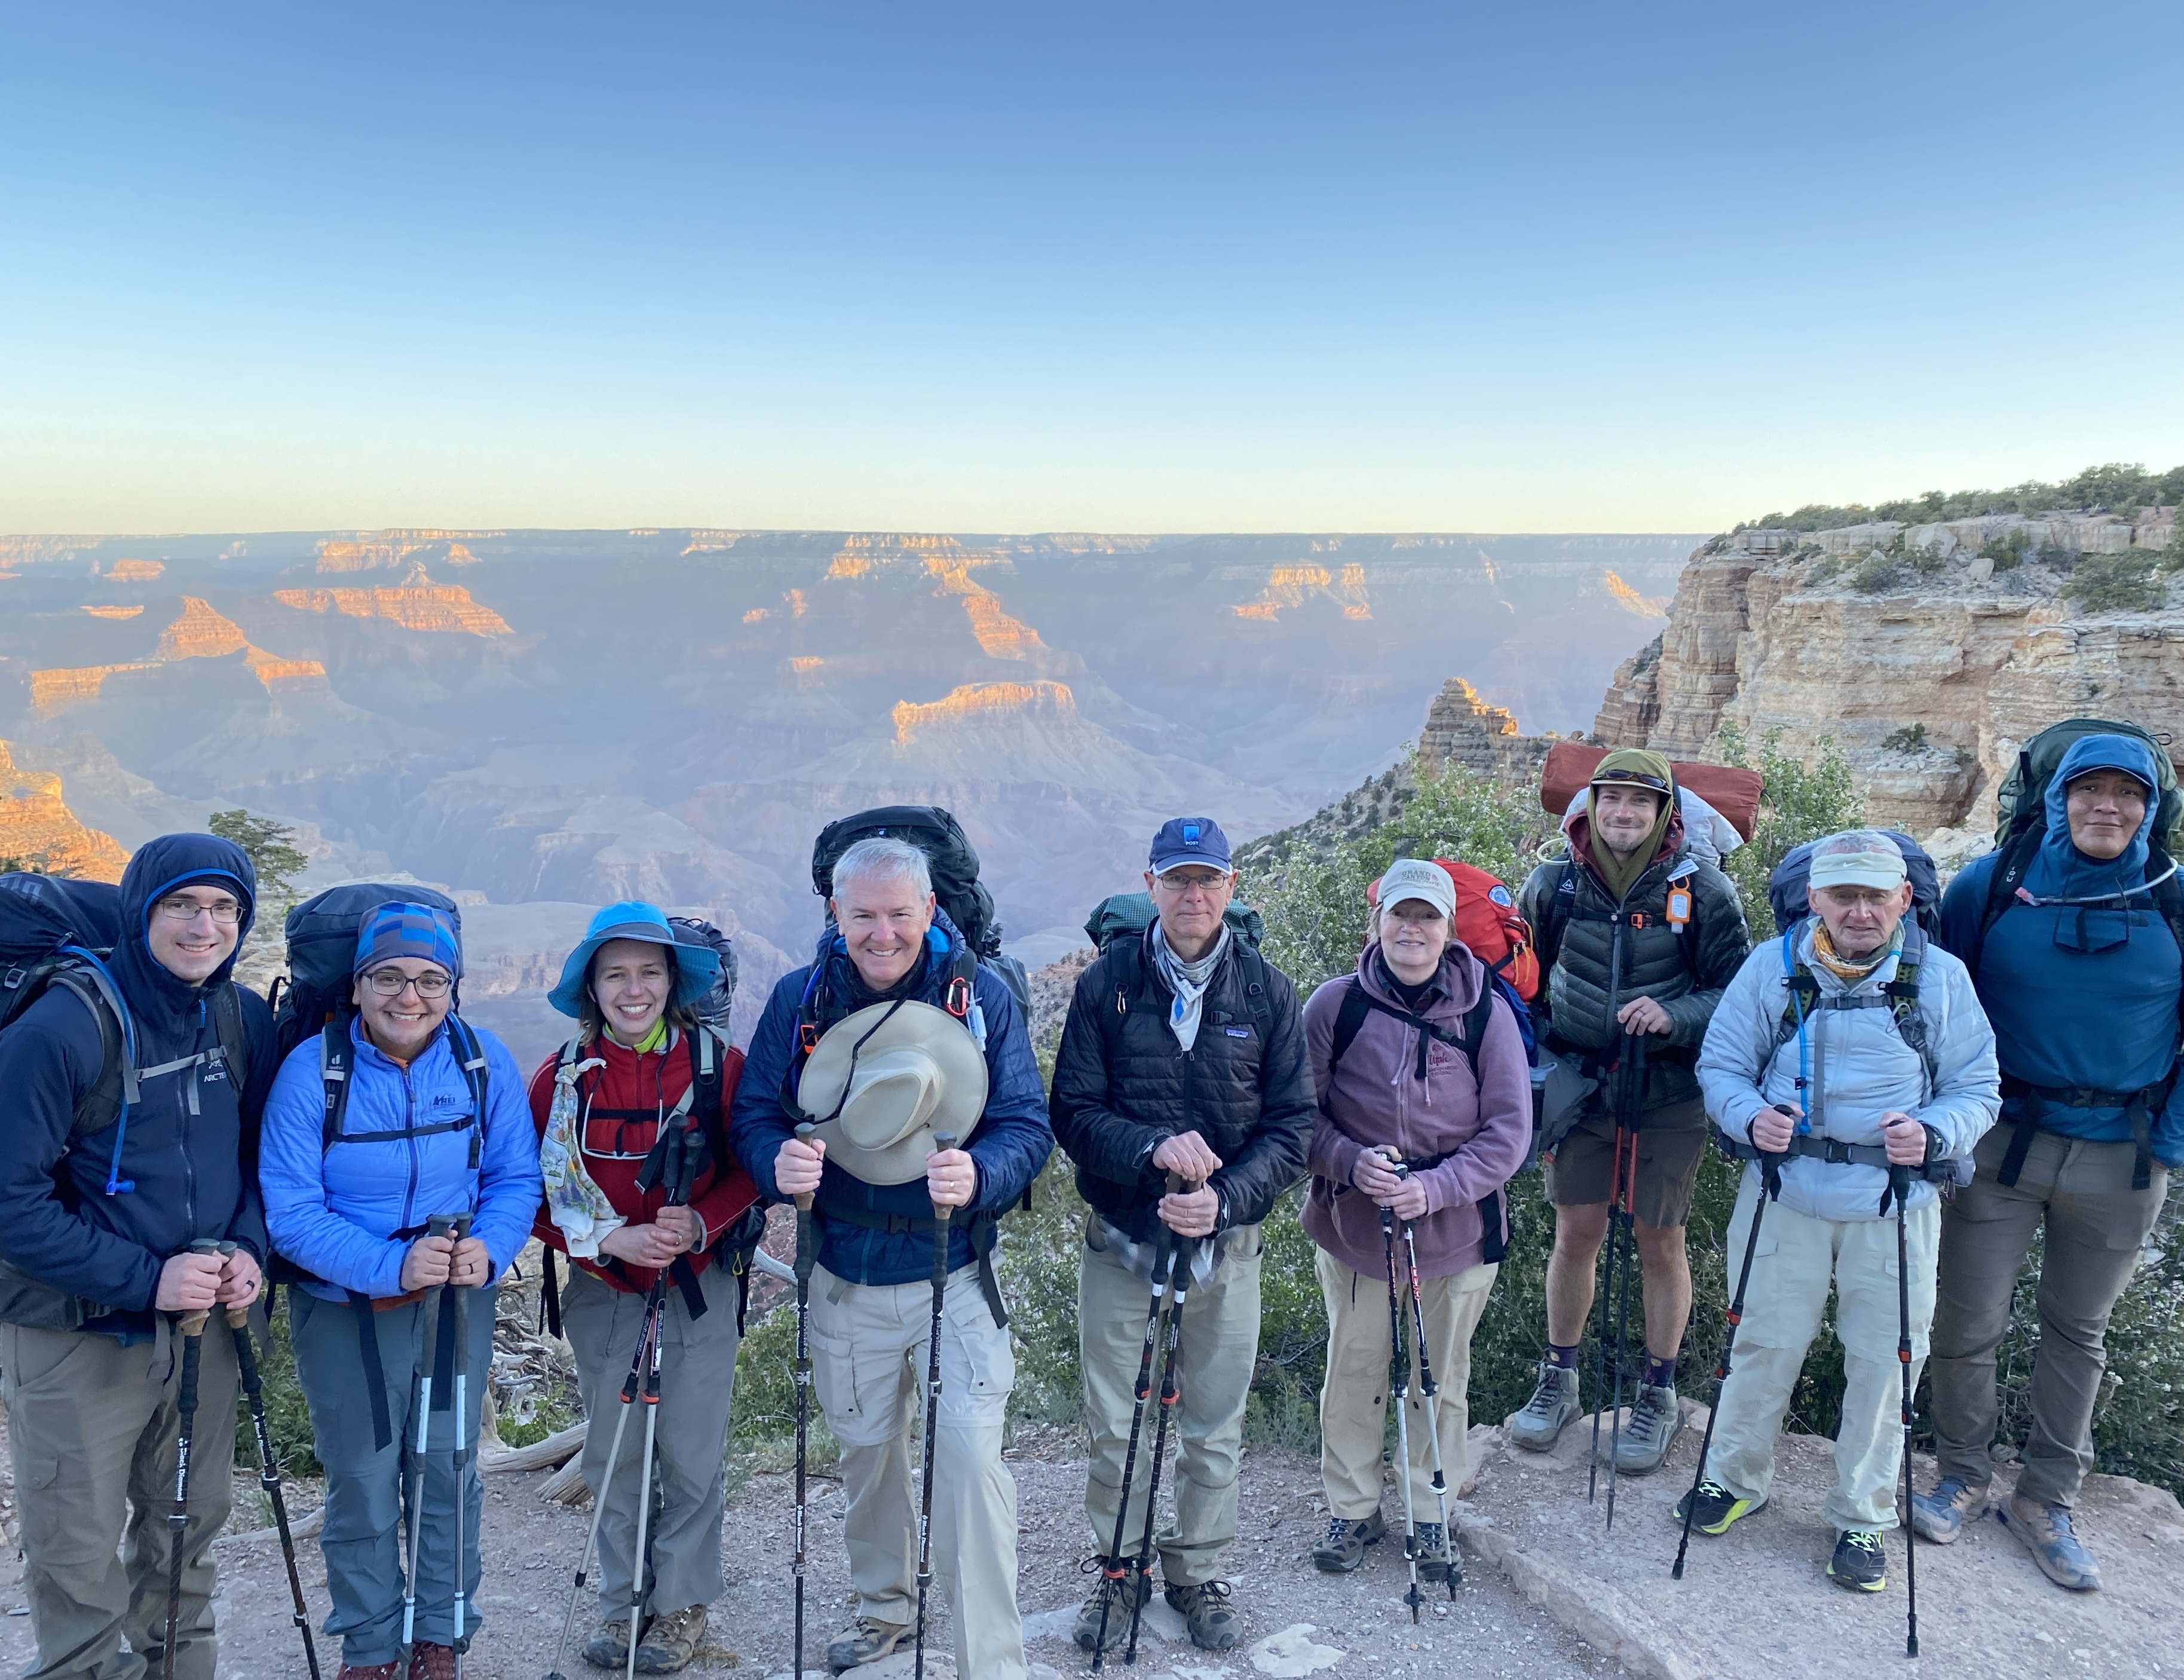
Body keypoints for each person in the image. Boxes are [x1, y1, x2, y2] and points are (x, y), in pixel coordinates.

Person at [728, 837, 1050, 1678]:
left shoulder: (979, 997)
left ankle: (991, 1665)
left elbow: (1025, 1123)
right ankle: (886, 1612)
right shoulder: (800, 999)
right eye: (863, 915)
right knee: (867, 1457)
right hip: (844, 1272)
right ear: (835, 913)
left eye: (900, 914)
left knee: (970, 1466)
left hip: (956, 1270)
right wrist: (773, 1162)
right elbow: (755, 1114)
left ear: (929, 910)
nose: (883, 934)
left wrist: (981, 1173)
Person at [1691, 830, 1999, 1592]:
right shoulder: (1771, 968)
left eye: (1875, 896)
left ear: (1904, 898)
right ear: (1813, 900)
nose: (1859, 912)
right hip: (1784, 1190)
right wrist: (1748, 1117)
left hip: (1894, 1200)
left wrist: (1933, 1133)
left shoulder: (1940, 978)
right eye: (1842, 896)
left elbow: (1977, 1087)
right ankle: (1732, 1478)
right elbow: (1721, 1065)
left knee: (1886, 1360)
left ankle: (1862, 1514)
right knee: (1762, 1342)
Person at [0, 835, 277, 1680]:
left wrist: (249, 1250)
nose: (205, 926)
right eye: (181, 905)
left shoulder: (240, 1018)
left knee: (185, 1538)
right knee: (76, 1556)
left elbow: (260, 1162)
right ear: (140, 912)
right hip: (76, 1333)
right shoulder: (61, 1027)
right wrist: (147, 1278)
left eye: (225, 908)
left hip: (206, 1327)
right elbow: (9, 1203)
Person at [1914, 734, 2182, 1590]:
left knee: (2078, 1332)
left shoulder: (2174, 897)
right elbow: (1937, 1006)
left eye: (2127, 793)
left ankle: (2045, 1499)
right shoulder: (1988, 886)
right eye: (2087, 788)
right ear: (2057, 797)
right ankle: (1960, 1474)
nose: (2107, 806)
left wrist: (2169, 1143)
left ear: (2151, 807)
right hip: (1998, 1143)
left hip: (2123, 1158)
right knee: (1966, 1322)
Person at [260, 901, 543, 1680]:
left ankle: (440, 1635)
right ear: (357, 986)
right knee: (361, 1476)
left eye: (429, 980)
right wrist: (392, 1265)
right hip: (345, 1309)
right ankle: (370, 1646)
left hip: (456, 1302)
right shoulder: (312, 1073)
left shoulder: (480, 1060)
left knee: (448, 1466)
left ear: (453, 987)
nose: (408, 996)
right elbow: (291, 1212)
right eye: (387, 977)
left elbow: (515, 1177)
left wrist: (490, 1248)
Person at [1050, 817, 1313, 1654]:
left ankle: (1196, 1572)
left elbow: (1294, 1127)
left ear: (1231, 887)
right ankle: (1118, 1569)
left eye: (1206, 880)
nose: (1192, 894)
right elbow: (1072, 1114)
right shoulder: (1107, 985)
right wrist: (1149, 1149)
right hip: (1123, 1239)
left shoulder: (1267, 992)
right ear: (1151, 886)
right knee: (1112, 1422)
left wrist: (1226, 1200)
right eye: (1177, 879)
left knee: (1213, 1422)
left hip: (1225, 1247)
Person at [527, 902, 758, 1673]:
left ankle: (681, 1605)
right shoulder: (561, 1081)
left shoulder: (716, 1067)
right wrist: (609, 1239)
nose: (634, 990)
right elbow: (525, 1195)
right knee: (614, 1454)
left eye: (649, 972)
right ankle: (623, 1600)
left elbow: (752, 1171)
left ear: (673, 981)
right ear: (591, 987)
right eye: (616, 974)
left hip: (698, 1284)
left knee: (690, 1452)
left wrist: (697, 1223)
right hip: (604, 1287)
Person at [1510, 749, 1750, 1471]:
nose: (1622, 812)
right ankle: (1558, 1379)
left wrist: (1673, 1015)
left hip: (1667, 1090)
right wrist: (1537, 1064)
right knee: (1575, 1233)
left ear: (1663, 812)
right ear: (1589, 805)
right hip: (1582, 1087)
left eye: (1639, 801)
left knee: (1659, 1241)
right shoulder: (1553, 883)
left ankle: (1657, 1393)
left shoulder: (1701, 889)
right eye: (1610, 797)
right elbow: (1522, 981)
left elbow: (1738, 991)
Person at [1300, 859, 1530, 1578]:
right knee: (1354, 1367)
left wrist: (1433, 1188)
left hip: (1458, 1232)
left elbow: (1508, 1132)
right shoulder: (1334, 1006)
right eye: (1399, 914)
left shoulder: (1485, 1011)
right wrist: (1349, 1162)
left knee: (1442, 1378)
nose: (1412, 928)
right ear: (1376, 923)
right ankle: (1353, 1508)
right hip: (1355, 1228)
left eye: (1427, 916)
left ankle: (1431, 1512)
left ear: (1448, 928)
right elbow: (1296, 1117)